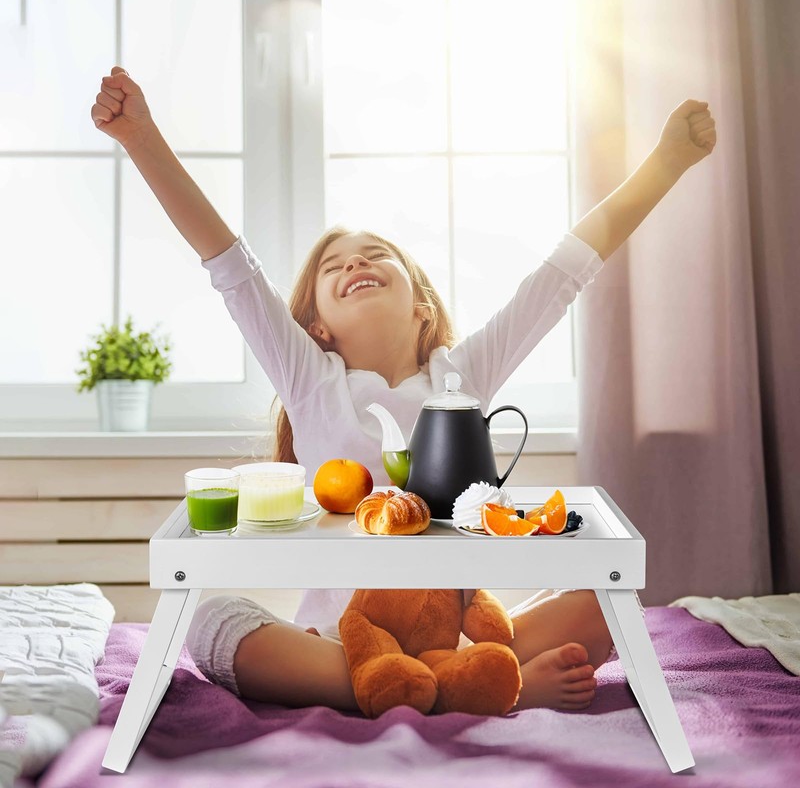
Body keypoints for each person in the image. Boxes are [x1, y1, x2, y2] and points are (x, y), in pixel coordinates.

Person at [91, 66, 716, 713]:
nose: (355, 263)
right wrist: (140, 137)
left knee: (602, 601)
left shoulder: (461, 377)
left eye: (374, 255)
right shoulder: (312, 380)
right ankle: (472, 685)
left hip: (462, 630)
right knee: (209, 622)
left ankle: (429, 681)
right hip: (342, 643)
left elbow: (561, 275)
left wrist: (666, 164)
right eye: (334, 266)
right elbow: (230, 265)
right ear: (317, 329)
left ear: (422, 304)